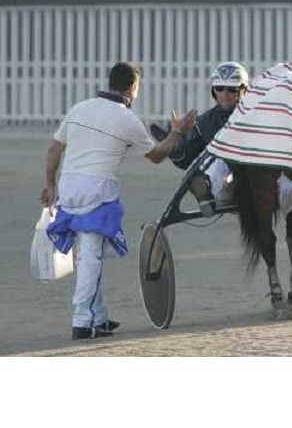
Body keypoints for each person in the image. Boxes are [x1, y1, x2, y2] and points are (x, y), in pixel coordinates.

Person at [40, 61, 196, 340]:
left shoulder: (80, 108)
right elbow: (158, 155)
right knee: (92, 256)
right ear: (132, 88)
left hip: (69, 186)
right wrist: (178, 131)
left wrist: (50, 184)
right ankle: (82, 320)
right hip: (97, 190)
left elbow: (54, 148)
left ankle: (98, 318)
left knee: (86, 254)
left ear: (110, 81)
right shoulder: (126, 119)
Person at [150, 61, 292, 271]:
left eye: (232, 89)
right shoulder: (204, 122)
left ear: (244, 90)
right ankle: (205, 190)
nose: (225, 94)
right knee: (220, 158)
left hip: (268, 184)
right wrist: (175, 145)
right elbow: (187, 157)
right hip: (229, 188)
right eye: (220, 88)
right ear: (213, 91)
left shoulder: (262, 114)